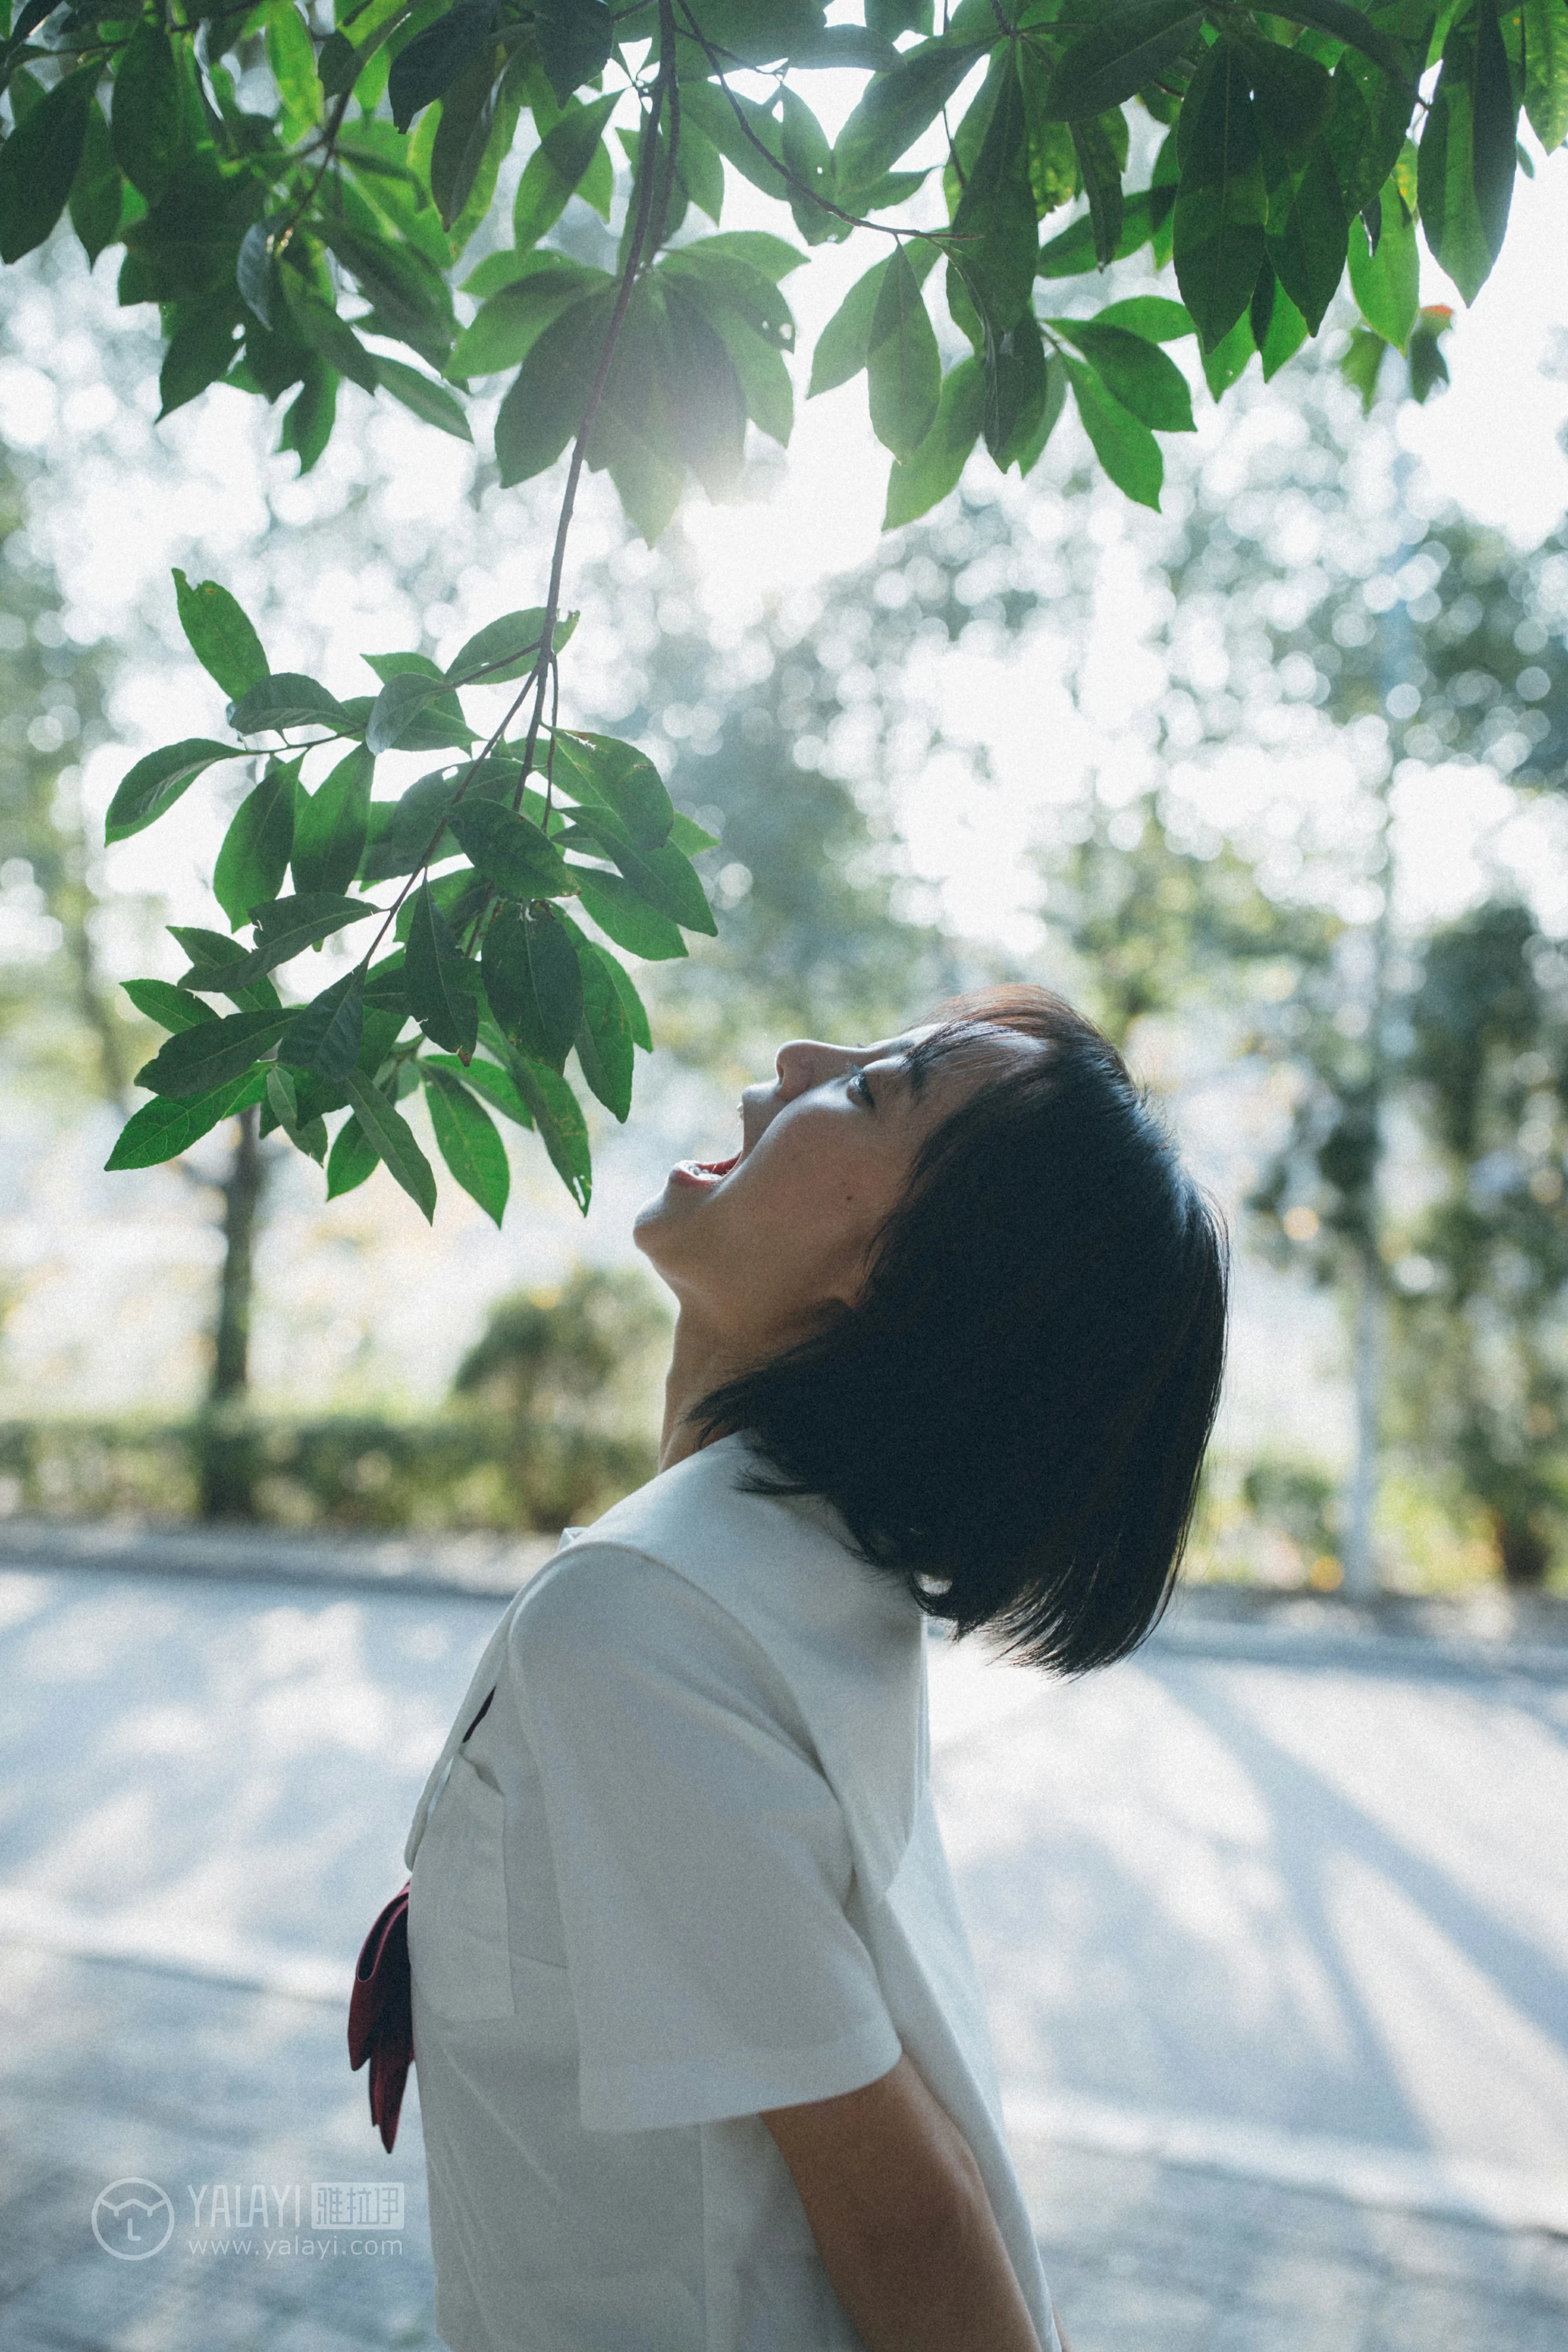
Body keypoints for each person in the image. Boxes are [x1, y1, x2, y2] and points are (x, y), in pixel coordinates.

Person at [401, 984, 1228, 2352]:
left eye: (873, 1087)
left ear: (904, 1280)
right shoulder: (788, 1573)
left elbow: (907, 2221)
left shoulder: (645, 1621)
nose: (795, 1060)